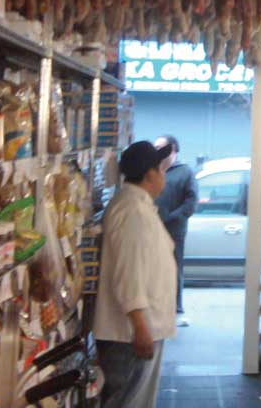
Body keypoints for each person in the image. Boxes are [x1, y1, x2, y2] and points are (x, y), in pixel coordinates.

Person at [93, 141, 177, 408]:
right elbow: (129, 272)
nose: (164, 176)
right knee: (126, 401)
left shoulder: (136, 205)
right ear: (149, 174)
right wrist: (140, 326)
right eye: (161, 169)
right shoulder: (132, 211)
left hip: (136, 331)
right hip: (130, 334)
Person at [152, 135, 198, 327]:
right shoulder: (152, 171)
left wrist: (173, 217)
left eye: (162, 148)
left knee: (173, 267)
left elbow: (191, 201)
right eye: (156, 148)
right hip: (151, 227)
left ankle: (175, 308)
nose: (158, 153)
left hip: (174, 229)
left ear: (173, 150)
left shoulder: (185, 172)